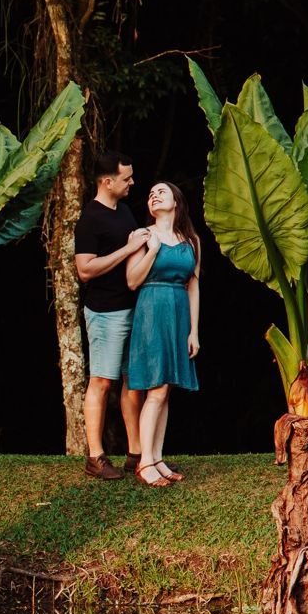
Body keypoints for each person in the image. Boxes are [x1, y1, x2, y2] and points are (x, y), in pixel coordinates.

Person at [73, 151, 147, 480]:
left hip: (133, 307)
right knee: (102, 382)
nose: (132, 182)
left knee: (134, 383)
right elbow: (85, 269)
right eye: (126, 178)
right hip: (105, 313)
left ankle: (136, 453)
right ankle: (96, 457)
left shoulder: (126, 211)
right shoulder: (91, 218)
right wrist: (127, 250)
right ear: (107, 182)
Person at [124, 182, 201, 487]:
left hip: (179, 311)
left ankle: (157, 457)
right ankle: (144, 462)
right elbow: (132, 280)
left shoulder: (191, 241)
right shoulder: (143, 236)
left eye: (161, 192)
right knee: (155, 389)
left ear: (176, 202)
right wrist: (152, 250)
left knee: (166, 389)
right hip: (152, 310)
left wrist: (194, 330)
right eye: (150, 192)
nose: (154, 195)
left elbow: (194, 285)